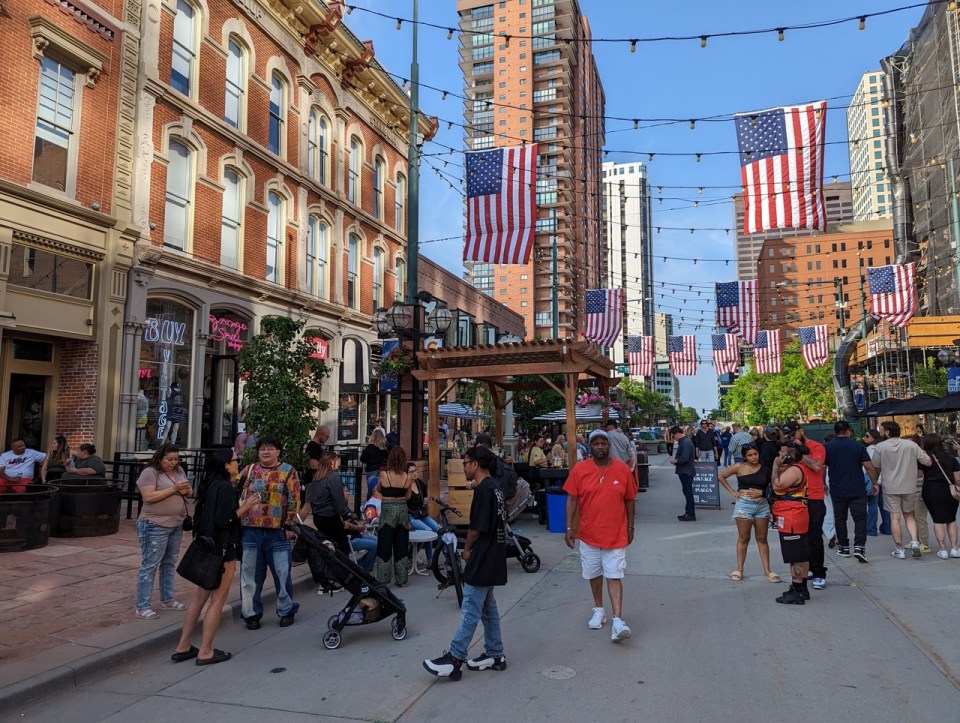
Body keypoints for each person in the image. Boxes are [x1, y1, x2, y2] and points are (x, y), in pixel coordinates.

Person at [424, 445, 508, 680]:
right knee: (488, 608)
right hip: (494, 554)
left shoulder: (484, 490)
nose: (463, 466)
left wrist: (467, 549)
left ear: (476, 464)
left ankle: (454, 657)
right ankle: (495, 653)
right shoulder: (494, 488)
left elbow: (476, 528)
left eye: (466, 462)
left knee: (470, 606)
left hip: (482, 555)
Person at [172, 449, 258, 666]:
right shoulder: (224, 487)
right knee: (217, 600)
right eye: (234, 461)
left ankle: (183, 645)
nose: (237, 464)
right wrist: (245, 507)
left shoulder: (209, 484)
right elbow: (225, 520)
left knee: (199, 597)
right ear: (225, 465)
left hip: (206, 545)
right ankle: (206, 650)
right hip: (222, 549)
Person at [563, 429, 636, 641]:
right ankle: (598, 610)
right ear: (590, 446)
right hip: (588, 534)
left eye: (604, 443)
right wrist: (569, 528)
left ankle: (618, 620)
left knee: (614, 575)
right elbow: (572, 499)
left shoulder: (622, 469)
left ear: (609, 445)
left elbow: (630, 500)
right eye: (596, 443)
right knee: (593, 574)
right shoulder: (580, 469)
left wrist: (631, 527)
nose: (601, 446)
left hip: (615, 535)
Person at [237, 436, 301, 629]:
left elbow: (294, 499)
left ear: (278, 451)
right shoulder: (248, 470)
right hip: (250, 530)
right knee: (250, 575)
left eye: (270, 448)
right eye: (262, 448)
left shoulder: (288, 471)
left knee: (282, 574)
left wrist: (289, 524)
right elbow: (236, 491)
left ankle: (286, 610)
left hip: (277, 531)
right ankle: (251, 614)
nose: (265, 452)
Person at [134, 443, 192, 619]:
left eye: (176, 459)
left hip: (176, 523)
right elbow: (148, 497)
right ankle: (142, 606)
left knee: (169, 562)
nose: (173, 462)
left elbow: (189, 493)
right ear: (160, 457)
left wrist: (186, 489)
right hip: (154, 523)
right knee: (150, 564)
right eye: (169, 459)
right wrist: (173, 489)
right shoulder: (150, 472)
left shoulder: (179, 471)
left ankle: (167, 599)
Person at [717, 445, 779, 582]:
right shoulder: (739, 467)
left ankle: (767, 570)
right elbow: (721, 476)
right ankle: (739, 569)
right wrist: (733, 492)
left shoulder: (765, 469)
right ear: (745, 456)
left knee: (762, 538)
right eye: (750, 455)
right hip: (744, 505)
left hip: (762, 505)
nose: (754, 457)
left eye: (755, 454)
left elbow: (775, 487)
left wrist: (762, 493)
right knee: (744, 538)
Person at [872, 421, 931, 559]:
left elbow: (876, 466)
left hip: (890, 486)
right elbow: (927, 461)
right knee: (909, 515)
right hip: (909, 485)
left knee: (895, 517)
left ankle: (899, 549)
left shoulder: (880, 447)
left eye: (881, 430)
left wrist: (877, 480)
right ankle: (915, 543)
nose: (880, 433)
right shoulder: (911, 445)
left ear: (887, 432)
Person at [781, 422, 827, 589]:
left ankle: (818, 572)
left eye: (793, 434)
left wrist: (801, 452)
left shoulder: (815, 446)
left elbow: (816, 466)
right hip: (794, 497)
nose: (792, 438)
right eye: (789, 436)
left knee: (814, 537)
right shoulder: (789, 448)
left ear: (801, 431)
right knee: (800, 539)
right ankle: (802, 573)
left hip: (813, 497)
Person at [824, 421, 878, 564]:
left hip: (837, 488)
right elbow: (869, 466)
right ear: (848, 431)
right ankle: (859, 547)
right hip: (857, 488)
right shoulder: (857, 446)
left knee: (840, 518)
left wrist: (823, 482)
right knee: (860, 519)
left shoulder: (828, 447)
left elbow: (823, 467)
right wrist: (874, 482)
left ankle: (844, 547)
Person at [770, 441, 811, 605]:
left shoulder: (794, 470)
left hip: (792, 517)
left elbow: (777, 485)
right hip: (794, 515)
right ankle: (802, 589)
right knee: (801, 554)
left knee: (795, 556)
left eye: (781, 452)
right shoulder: (794, 468)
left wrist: (775, 465)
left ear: (790, 454)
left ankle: (797, 591)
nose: (779, 455)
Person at [299, 450, 351, 556]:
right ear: (333, 462)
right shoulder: (333, 476)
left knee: (327, 546)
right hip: (330, 517)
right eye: (337, 460)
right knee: (342, 549)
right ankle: (340, 571)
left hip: (318, 517)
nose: (339, 462)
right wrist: (345, 517)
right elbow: (338, 500)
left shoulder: (316, 477)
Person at [374, 446, 412, 586]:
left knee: (385, 543)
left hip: (387, 510)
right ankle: (401, 580)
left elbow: (378, 490)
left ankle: (383, 579)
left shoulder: (384, 474)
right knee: (401, 544)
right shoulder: (408, 476)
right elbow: (408, 496)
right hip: (402, 509)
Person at [918, 434, 960, 559]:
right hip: (950, 491)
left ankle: (943, 550)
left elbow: (919, 475)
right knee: (951, 519)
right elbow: (957, 478)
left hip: (931, 490)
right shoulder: (951, 458)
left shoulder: (925, 459)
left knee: (938, 520)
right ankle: (954, 548)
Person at [406, 460, 440, 561]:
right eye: (411, 471)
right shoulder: (404, 486)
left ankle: (448, 555)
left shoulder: (420, 484)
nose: (415, 473)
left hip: (421, 513)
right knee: (428, 531)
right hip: (410, 515)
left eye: (416, 470)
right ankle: (430, 560)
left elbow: (423, 501)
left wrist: (425, 502)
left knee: (438, 528)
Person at [669, 425, 696, 521]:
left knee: (688, 493)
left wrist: (675, 461)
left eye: (673, 436)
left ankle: (690, 514)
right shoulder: (684, 441)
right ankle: (688, 512)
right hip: (685, 470)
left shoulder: (685, 442)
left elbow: (684, 458)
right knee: (687, 492)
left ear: (676, 434)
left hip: (686, 471)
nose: (673, 438)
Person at [863, 428, 887, 536]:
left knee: (872, 504)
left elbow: (869, 467)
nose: (865, 438)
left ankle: (871, 529)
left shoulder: (870, 449)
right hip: (884, 478)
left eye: (867, 436)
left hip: (873, 479)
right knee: (884, 505)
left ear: (874, 438)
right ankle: (887, 527)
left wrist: (874, 482)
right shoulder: (883, 448)